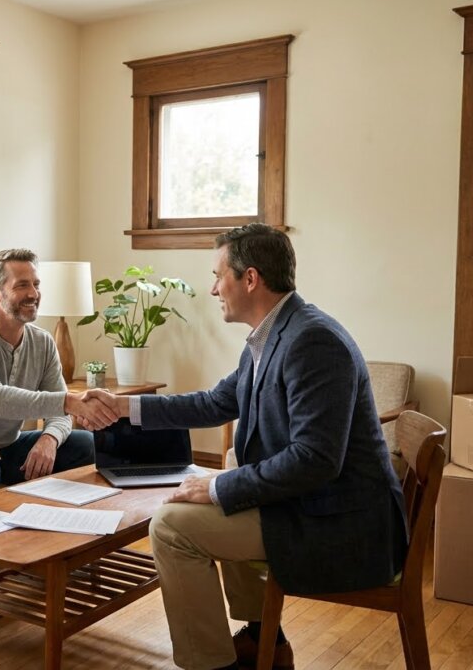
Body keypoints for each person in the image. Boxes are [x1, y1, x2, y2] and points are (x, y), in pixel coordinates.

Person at [85, 224, 407, 670]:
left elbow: (316, 459)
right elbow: (215, 402)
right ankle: (264, 642)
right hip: (312, 505)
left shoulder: (313, 342)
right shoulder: (273, 334)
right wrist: (124, 407)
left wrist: (221, 486)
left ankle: (215, 663)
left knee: (171, 527)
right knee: (209, 504)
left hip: (343, 526)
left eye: (219, 275)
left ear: (250, 279)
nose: (213, 287)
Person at [0, 248, 118, 583]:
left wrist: (48, 439)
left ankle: (57, 552)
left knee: (85, 444)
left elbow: (58, 416)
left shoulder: (41, 343)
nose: (33, 294)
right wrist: (69, 403)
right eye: (22, 285)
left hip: (7, 445)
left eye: (36, 284)